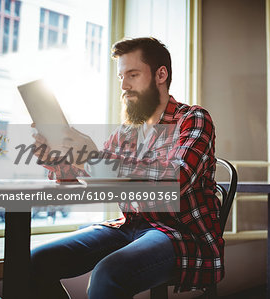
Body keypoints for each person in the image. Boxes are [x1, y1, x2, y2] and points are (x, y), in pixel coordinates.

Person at [30, 37, 224, 298]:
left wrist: (94, 158)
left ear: (161, 75)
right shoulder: (126, 133)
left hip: (180, 233)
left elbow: (176, 179)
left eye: (132, 74)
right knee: (33, 262)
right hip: (127, 225)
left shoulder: (194, 119)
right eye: (121, 76)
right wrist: (57, 156)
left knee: (108, 274)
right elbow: (90, 177)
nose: (124, 85)